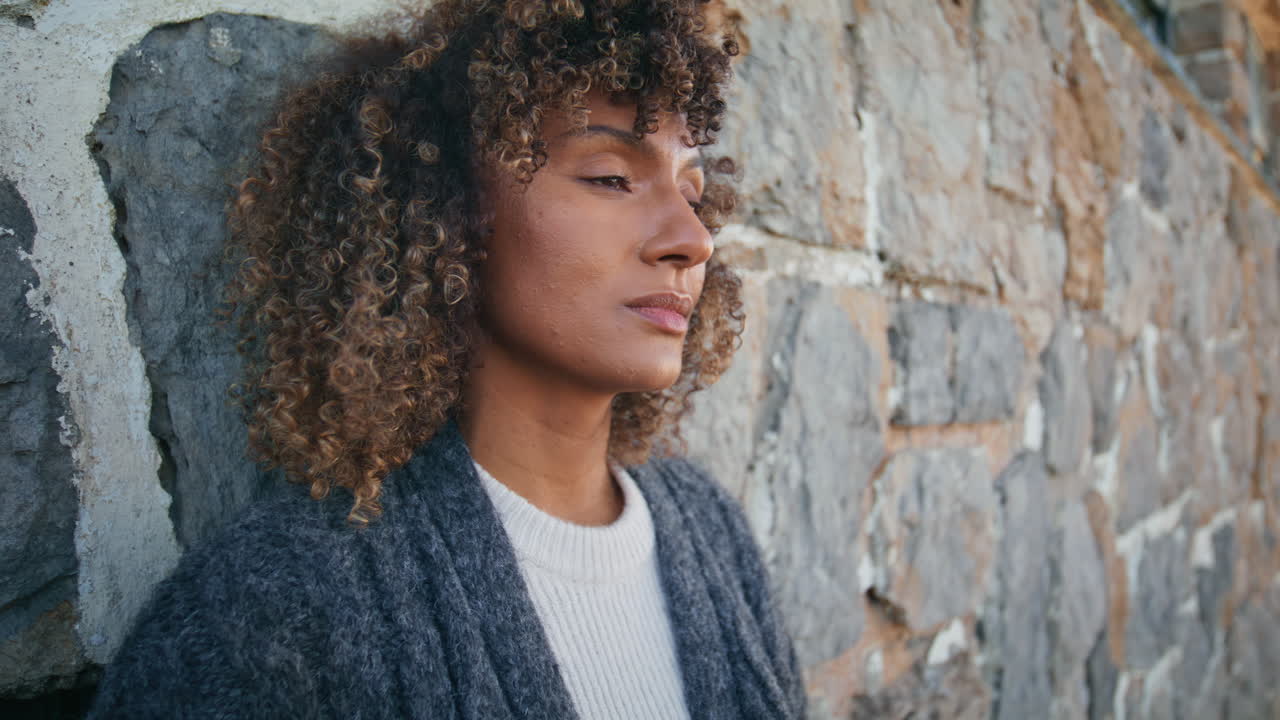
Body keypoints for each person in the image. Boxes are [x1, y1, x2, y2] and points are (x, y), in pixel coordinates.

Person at [89, 0, 805, 717]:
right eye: (610, 177)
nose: (693, 238)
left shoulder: (712, 533)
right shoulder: (278, 607)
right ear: (448, 209)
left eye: (691, 191)